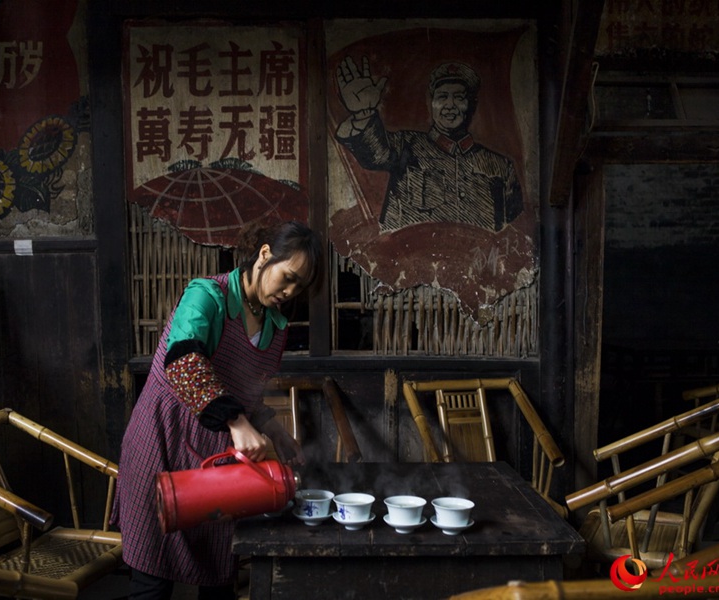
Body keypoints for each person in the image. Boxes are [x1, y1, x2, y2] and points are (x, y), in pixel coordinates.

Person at [112, 221, 324, 600]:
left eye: (300, 286)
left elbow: (247, 395)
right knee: (152, 579)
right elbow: (183, 362)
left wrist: (277, 434)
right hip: (161, 440)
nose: (290, 291)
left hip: (214, 458)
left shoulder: (276, 326)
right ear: (263, 255)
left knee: (217, 575)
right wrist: (236, 421)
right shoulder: (207, 295)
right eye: (288, 277)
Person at [335, 56, 523, 232]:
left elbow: (514, 233)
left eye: (459, 97)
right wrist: (363, 113)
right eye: (442, 97)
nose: (450, 105)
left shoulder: (499, 167)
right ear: (431, 103)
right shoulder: (404, 146)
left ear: (471, 105)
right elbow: (374, 155)